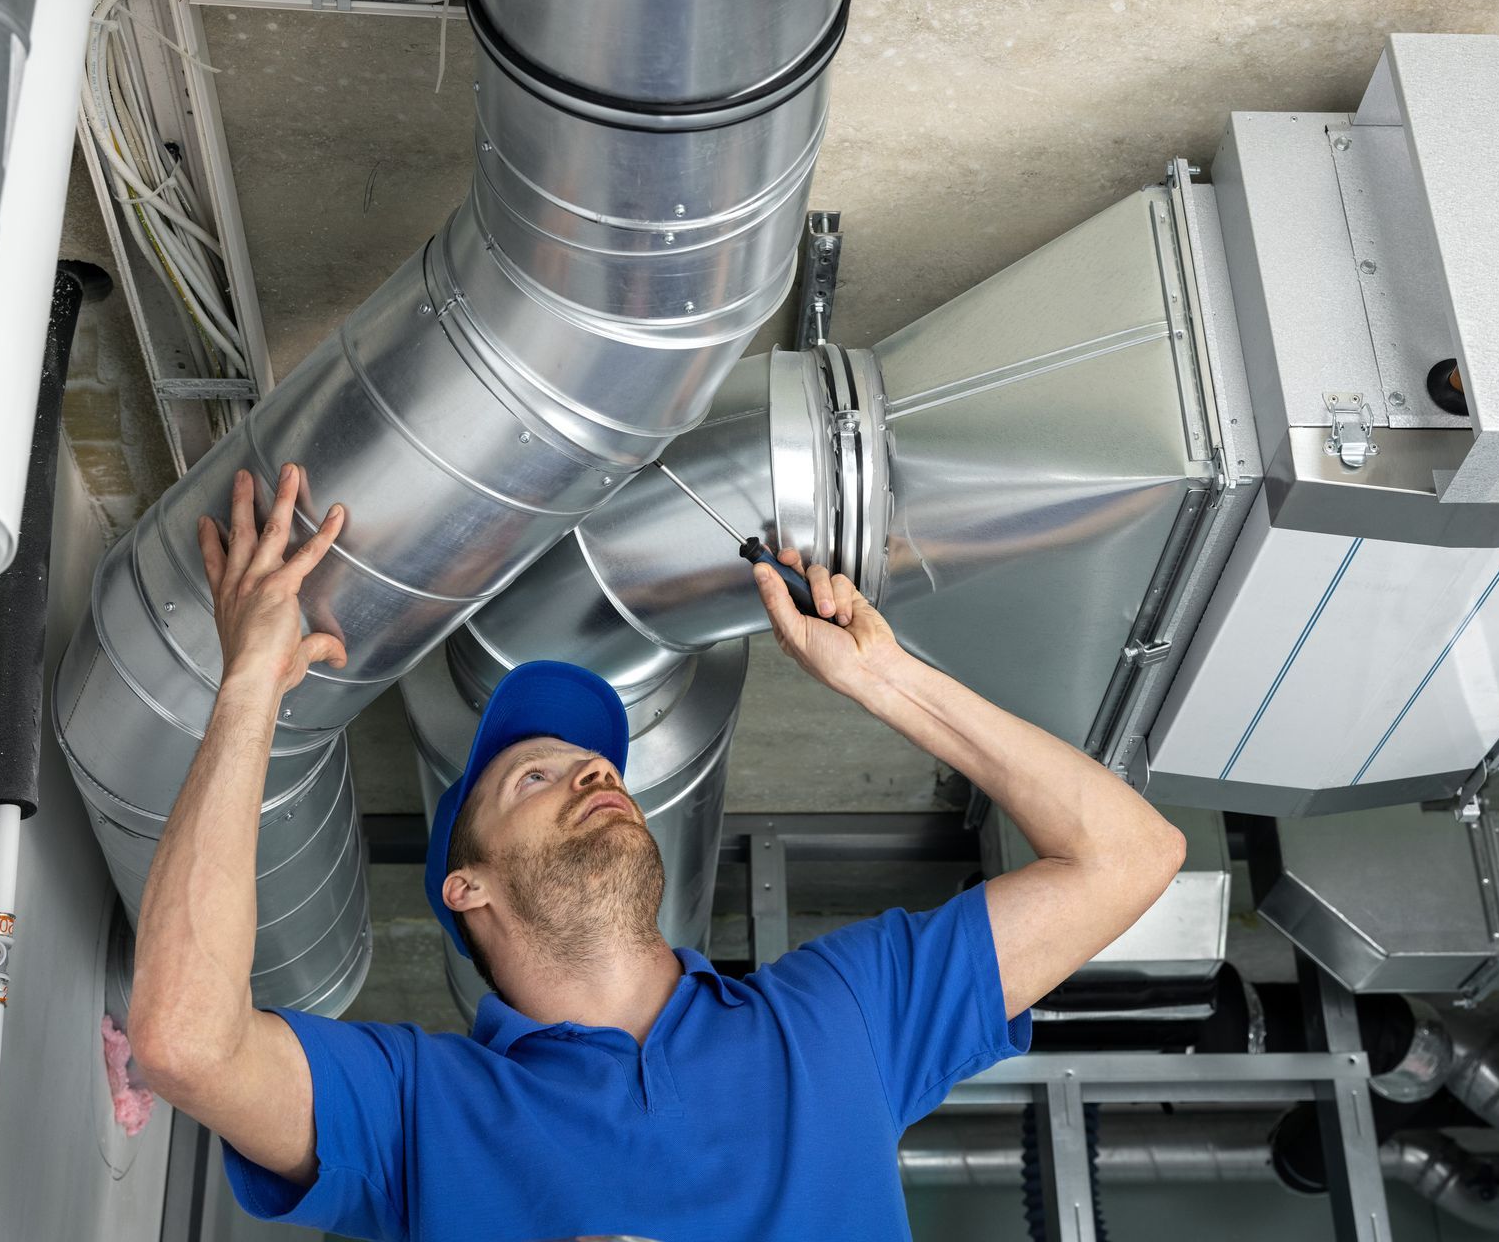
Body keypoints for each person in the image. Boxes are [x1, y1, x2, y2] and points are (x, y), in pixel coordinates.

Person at [127, 462, 1187, 1242]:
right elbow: (183, 1037)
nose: (595, 773)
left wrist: (886, 680)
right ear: (468, 884)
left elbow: (1129, 852)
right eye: (535, 776)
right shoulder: (415, 1108)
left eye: (599, 769)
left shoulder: (839, 1017)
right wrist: (250, 686)